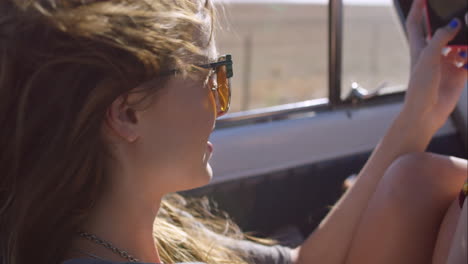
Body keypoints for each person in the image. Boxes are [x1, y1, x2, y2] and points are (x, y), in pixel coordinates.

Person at [0, 0, 466, 263]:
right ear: (128, 115)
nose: (221, 107)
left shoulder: (164, 235)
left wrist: (420, 113)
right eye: (213, 81)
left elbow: (304, 262)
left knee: (417, 182)